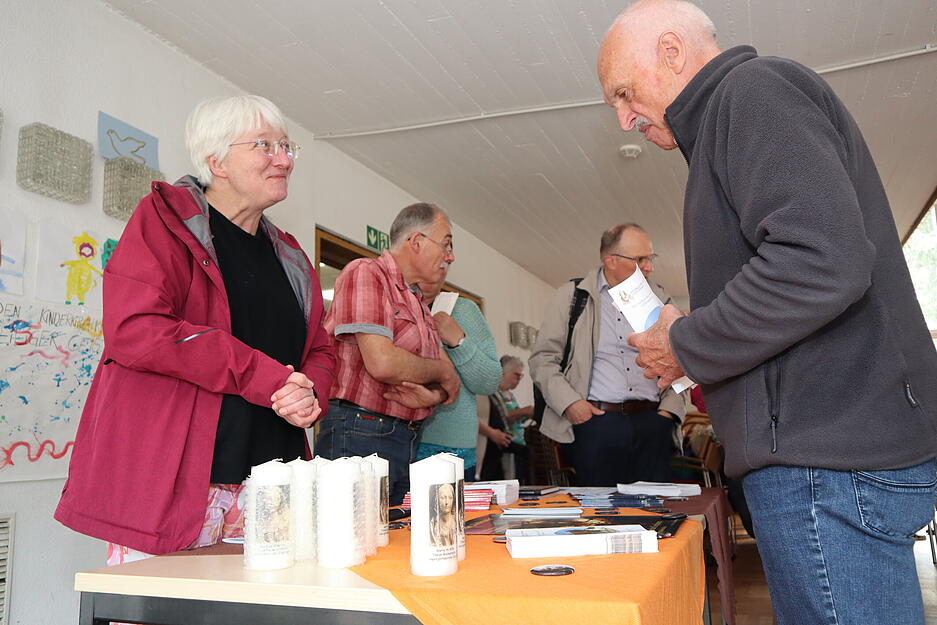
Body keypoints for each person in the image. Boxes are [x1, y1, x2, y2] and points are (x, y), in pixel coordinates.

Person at [598, 2, 937, 623]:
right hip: (834, 455)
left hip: (825, 462)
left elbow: (821, 260)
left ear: (671, 52)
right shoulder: (733, 117)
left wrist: (687, 341)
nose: (623, 118)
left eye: (623, 92)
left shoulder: (748, 93)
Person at [55, 95, 335, 562]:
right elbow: (137, 330)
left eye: (287, 146)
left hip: (272, 483)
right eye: (264, 146)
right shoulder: (162, 221)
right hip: (177, 483)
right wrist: (267, 378)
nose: (284, 159)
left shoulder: (291, 256)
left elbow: (321, 350)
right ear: (216, 160)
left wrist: (309, 393)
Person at [316, 203, 461, 505]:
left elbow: (450, 388)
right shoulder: (367, 273)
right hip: (360, 432)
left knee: (390, 543)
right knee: (350, 543)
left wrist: (432, 395)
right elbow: (382, 363)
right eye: (446, 244)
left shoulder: (418, 301)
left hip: (404, 437)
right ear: (416, 241)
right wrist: (442, 372)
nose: (450, 256)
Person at [529, 224, 688, 486]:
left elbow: (678, 360)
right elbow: (542, 360)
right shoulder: (573, 296)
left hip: (652, 422)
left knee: (656, 514)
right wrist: (571, 405)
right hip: (596, 424)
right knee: (600, 518)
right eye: (640, 260)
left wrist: (668, 414)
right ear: (610, 260)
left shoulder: (661, 301)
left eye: (651, 258)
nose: (649, 267)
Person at [414, 278, 501, 482]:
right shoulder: (387, 304)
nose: (447, 257)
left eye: (447, 248)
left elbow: (490, 381)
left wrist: (458, 342)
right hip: (388, 439)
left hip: (446, 448)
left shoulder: (462, 309)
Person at [429, 482, 457, 547]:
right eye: (443, 498)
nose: (447, 502)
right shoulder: (432, 524)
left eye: (450, 498)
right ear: (438, 500)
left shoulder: (457, 522)